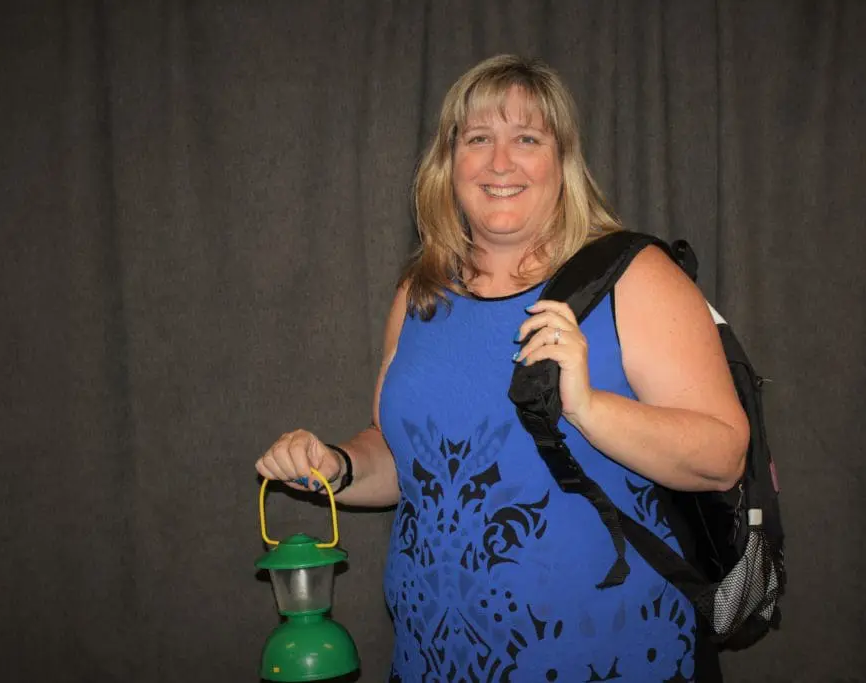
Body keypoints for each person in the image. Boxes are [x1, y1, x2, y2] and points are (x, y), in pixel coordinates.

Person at [256, 54, 748, 683]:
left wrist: (589, 407)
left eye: (527, 139)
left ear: (563, 163)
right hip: (435, 659)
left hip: (607, 657)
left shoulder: (636, 278)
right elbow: (406, 461)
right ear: (448, 163)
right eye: (478, 139)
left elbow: (723, 455)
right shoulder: (420, 291)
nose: (499, 163)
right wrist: (337, 465)